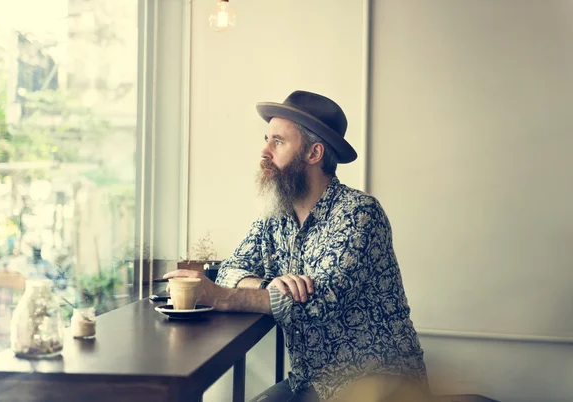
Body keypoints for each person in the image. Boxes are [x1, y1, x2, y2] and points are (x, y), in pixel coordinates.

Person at [164, 90, 427, 401]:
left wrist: (222, 299)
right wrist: (269, 283)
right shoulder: (275, 215)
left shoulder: (358, 212)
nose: (264, 151)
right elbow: (229, 270)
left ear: (313, 154)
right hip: (311, 381)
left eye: (278, 141)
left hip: (379, 381)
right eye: (266, 139)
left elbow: (318, 304)